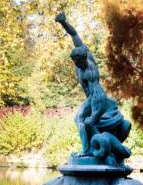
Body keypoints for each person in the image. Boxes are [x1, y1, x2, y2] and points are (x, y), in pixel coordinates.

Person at [54, 12, 131, 158]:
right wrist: (64, 23)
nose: (79, 64)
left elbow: (97, 94)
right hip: (92, 98)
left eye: (80, 62)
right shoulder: (82, 50)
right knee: (87, 123)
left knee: (80, 120)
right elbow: (74, 34)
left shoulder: (90, 71)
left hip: (96, 98)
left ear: (84, 58)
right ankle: (95, 146)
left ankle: (86, 151)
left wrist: (95, 114)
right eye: (76, 62)